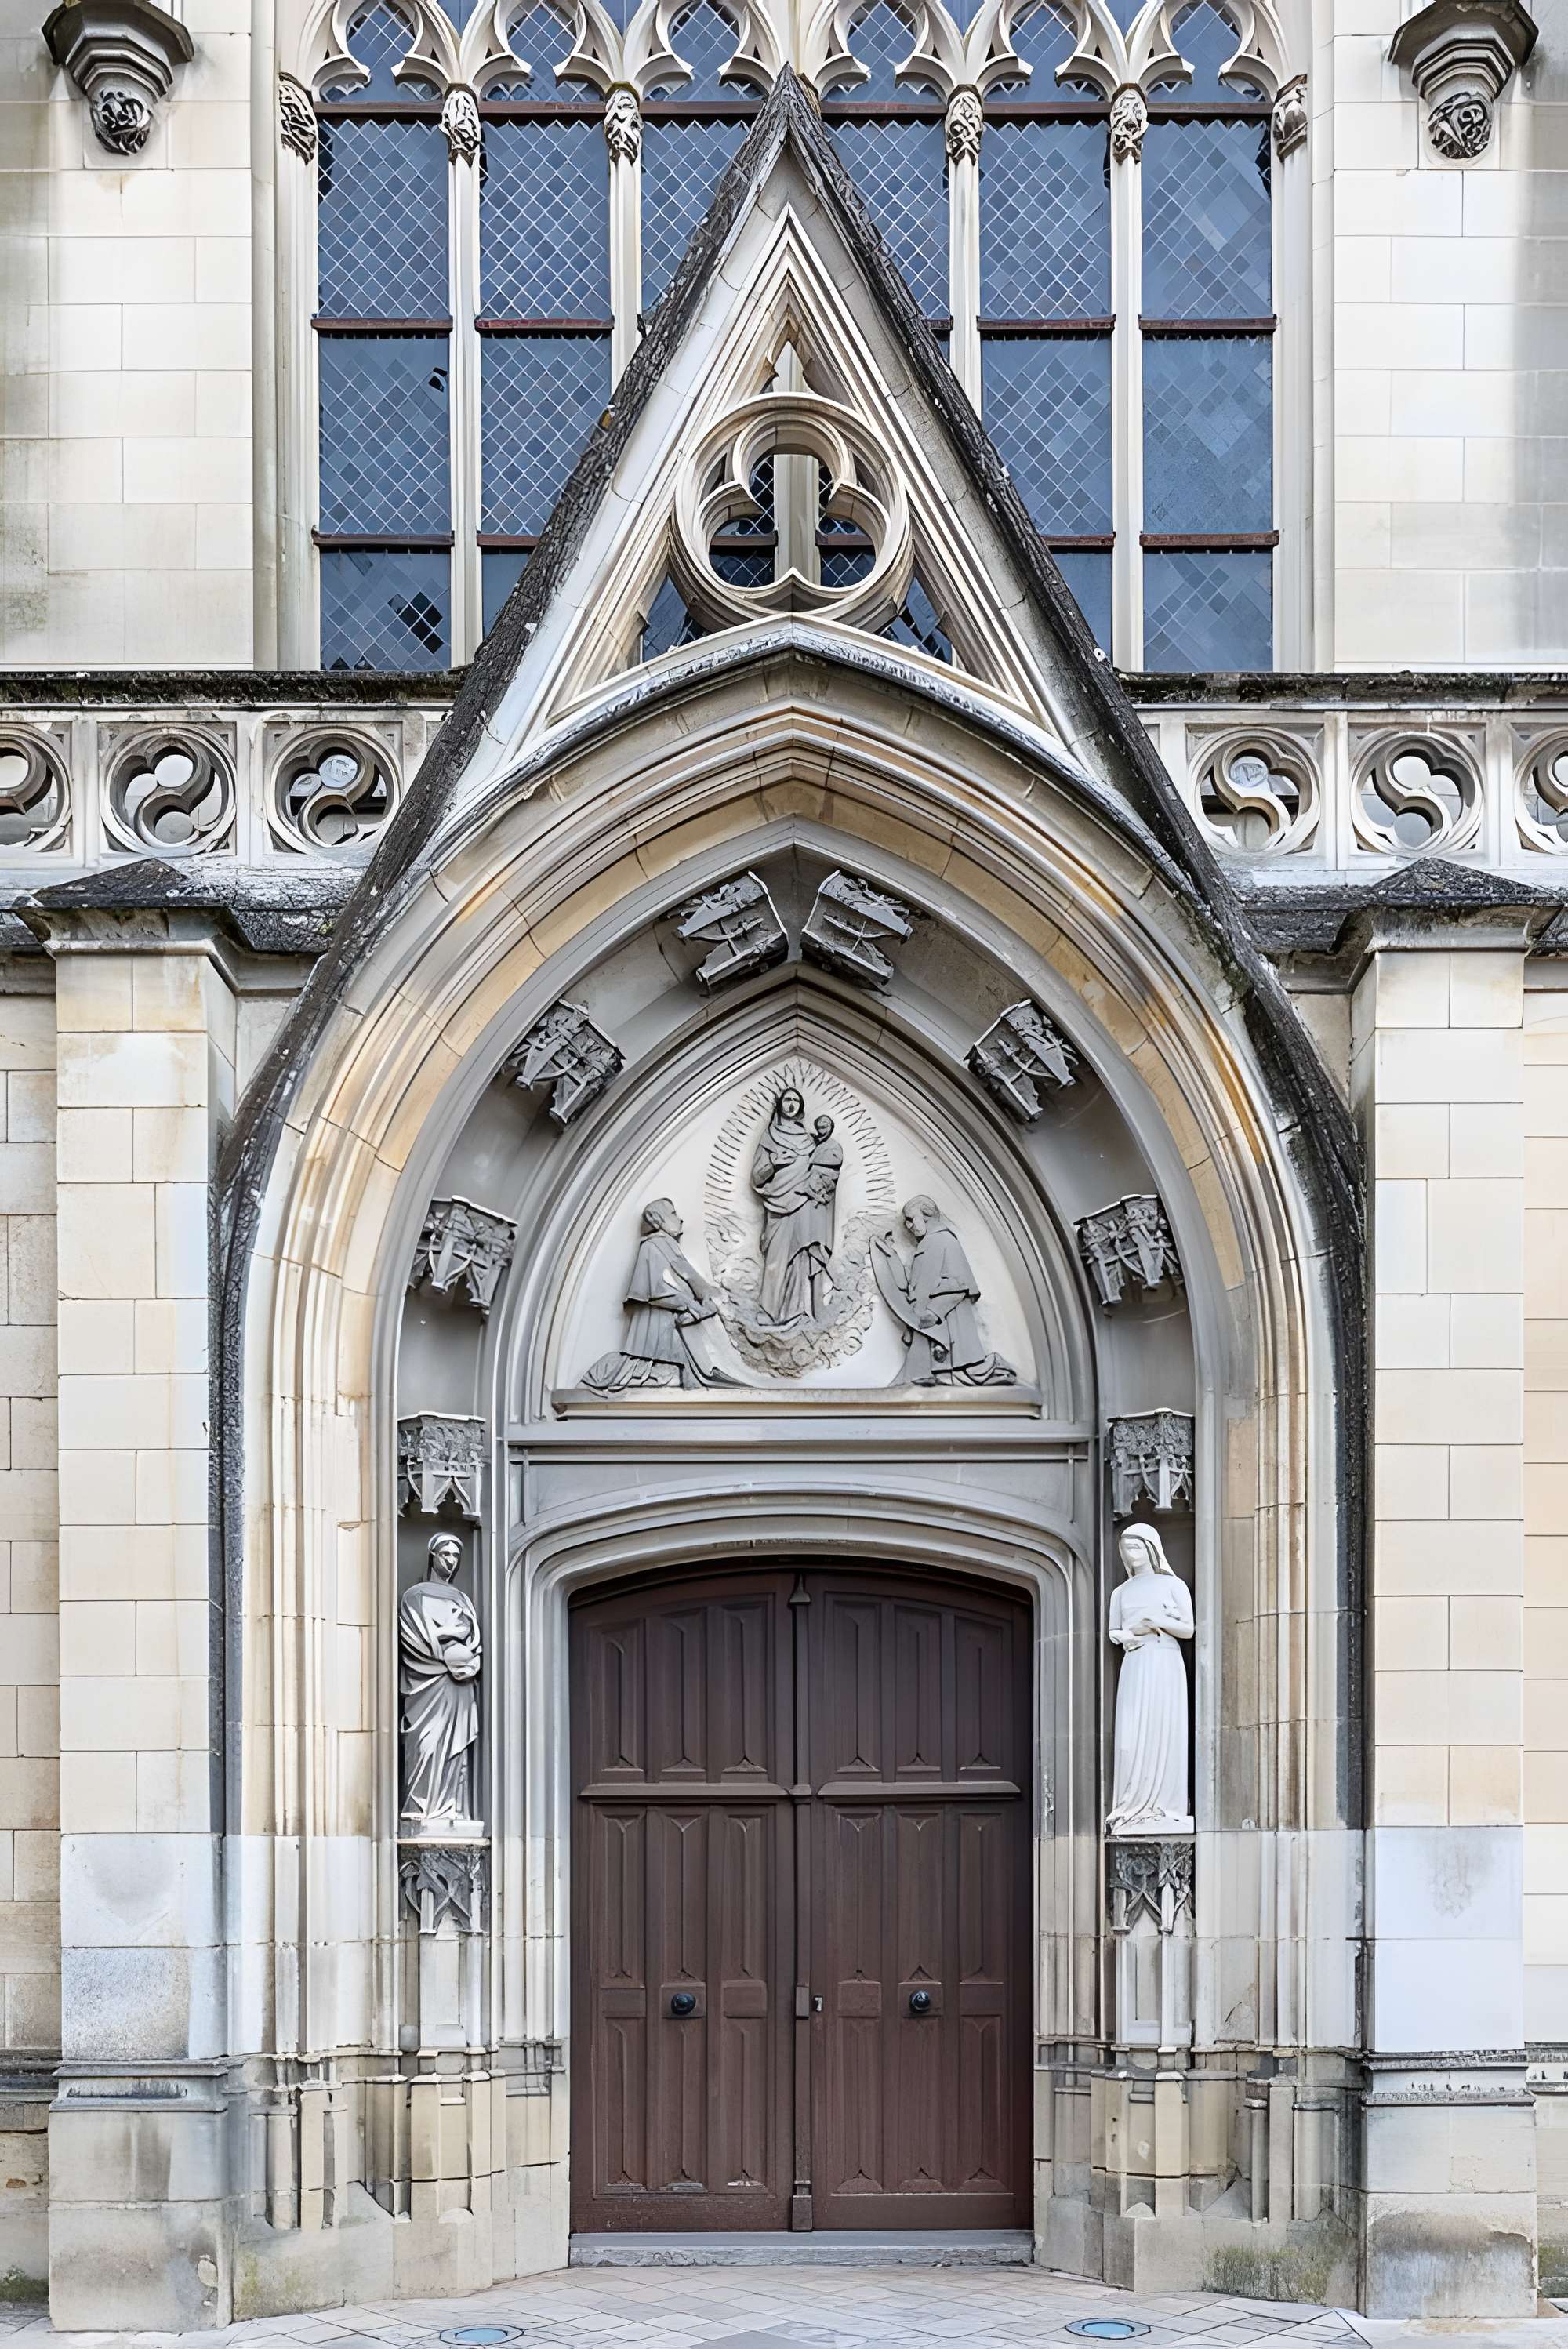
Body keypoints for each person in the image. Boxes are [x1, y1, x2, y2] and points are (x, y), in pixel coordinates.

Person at [582, 1198, 739, 1390]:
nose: (680, 1219)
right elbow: (657, 1291)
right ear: (658, 1219)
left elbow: (692, 1279)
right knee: (668, 1366)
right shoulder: (651, 1247)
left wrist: (710, 1296)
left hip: (681, 1323)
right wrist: (692, 1305)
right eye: (673, 1214)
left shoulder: (669, 1246)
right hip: (660, 1324)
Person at [1106, 1521, 1194, 1833]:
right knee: (1131, 1736)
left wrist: (1157, 1621)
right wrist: (1124, 1636)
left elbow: (1188, 1629)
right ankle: (1132, 1805)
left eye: (1137, 1546)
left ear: (1151, 1548)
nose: (1131, 1554)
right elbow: (1113, 1629)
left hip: (1165, 1660)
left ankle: (1165, 1806)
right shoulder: (1120, 1592)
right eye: (1126, 1548)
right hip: (1136, 1661)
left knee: (1164, 1726)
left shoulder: (1173, 1585)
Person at [872, 1194, 1015, 1385]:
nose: (909, 1226)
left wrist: (934, 1312)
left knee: (966, 1374)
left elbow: (959, 1284)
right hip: (927, 1329)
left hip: (946, 1326)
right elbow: (914, 1286)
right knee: (919, 1380)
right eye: (906, 1221)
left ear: (927, 1215)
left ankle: (991, 1367)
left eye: (911, 1219)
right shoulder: (927, 1244)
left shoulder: (945, 1240)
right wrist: (891, 1256)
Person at [399, 1531, 482, 1830]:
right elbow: (413, 1636)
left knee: (456, 1749)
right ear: (433, 1556)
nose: (451, 1561)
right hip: (427, 1685)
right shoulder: (416, 1595)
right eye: (445, 1554)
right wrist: (446, 1654)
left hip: (459, 1687)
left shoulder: (462, 1599)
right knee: (426, 1744)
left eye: (456, 1556)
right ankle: (420, 1808)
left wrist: (470, 1659)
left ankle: (451, 1807)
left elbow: (474, 1638)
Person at [750, 1086, 836, 1323]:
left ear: (801, 1107)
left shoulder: (809, 1140)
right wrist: (773, 1162)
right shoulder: (769, 1137)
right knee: (776, 1258)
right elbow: (756, 1177)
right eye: (787, 1099)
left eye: (795, 1101)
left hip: (804, 1201)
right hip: (778, 1202)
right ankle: (769, 1311)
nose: (791, 1104)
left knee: (802, 1254)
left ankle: (798, 1310)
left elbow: (822, 1168)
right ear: (780, 1104)